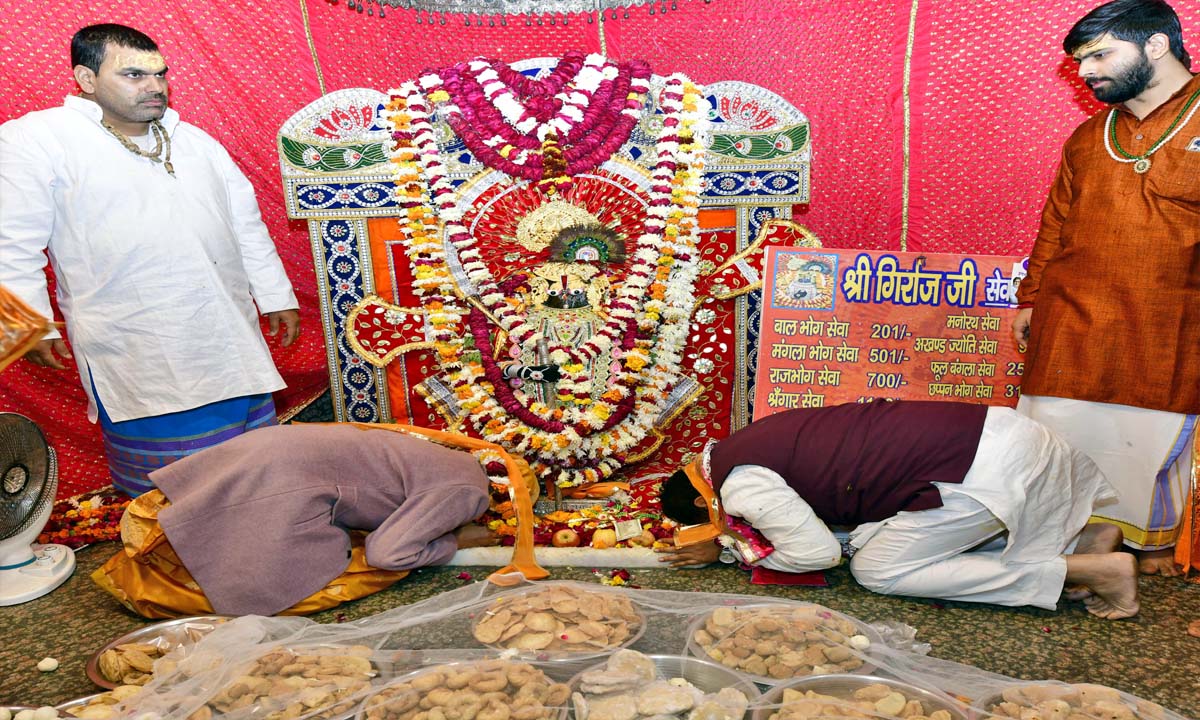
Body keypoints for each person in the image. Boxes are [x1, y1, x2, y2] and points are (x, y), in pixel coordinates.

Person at [0, 24, 300, 497]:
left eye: (160, 74)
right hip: (139, 345)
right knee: (179, 493)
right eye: (135, 74)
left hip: (228, 334)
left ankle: (265, 545)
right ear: (86, 78)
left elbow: (245, 224)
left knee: (256, 474)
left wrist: (275, 296)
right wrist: (30, 325)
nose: (155, 86)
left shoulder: (194, 141)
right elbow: (8, 243)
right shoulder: (35, 139)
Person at [1011, 0, 1198, 576]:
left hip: (1172, 317)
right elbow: (1056, 223)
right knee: (1064, 429)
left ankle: (1154, 544)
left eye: (1100, 54)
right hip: (1073, 314)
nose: (1087, 70)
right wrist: (1031, 298)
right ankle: (1089, 538)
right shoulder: (1091, 136)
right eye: (1079, 61)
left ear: (1158, 45)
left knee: (1152, 433)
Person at [655, 400, 1140, 620]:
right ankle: (1085, 539)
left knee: (879, 569)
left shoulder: (740, 484)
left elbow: (817, 553)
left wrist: (734, 554)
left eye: (711, 520)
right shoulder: (742, 443)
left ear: (703, 500)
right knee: (882, 538)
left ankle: (1086, 569)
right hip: (1004, 436)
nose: (726, 524)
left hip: (975, 474)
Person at [93, 423, 505, 617]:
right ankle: (165, 589)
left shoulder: (451, 455)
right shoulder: (468, 491)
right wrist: (455, 543)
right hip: (291, 478)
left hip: (272, 443)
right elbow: (388, 551)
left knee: (208, 519)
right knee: (277, 581)